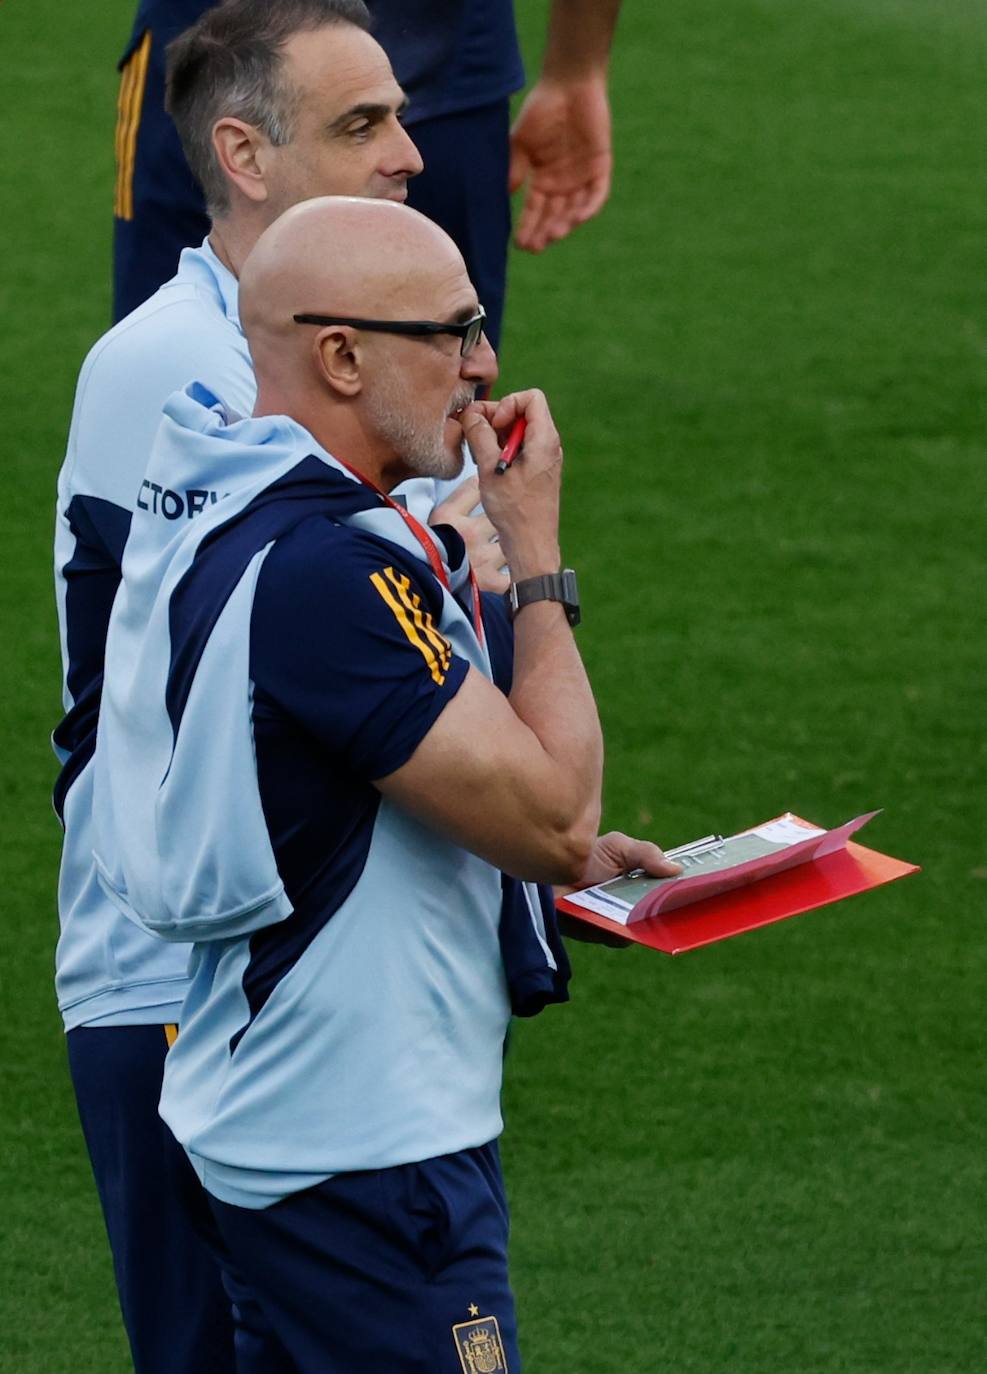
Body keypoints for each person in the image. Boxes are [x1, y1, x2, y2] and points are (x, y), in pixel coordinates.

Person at [91, 194, 680, 1373]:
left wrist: (538, 878)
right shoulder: (329, 573)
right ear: (343, 355)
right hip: (366, 1154)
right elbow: (557, 817)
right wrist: (535, 555)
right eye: (451, 332)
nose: (484, 363)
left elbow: (332, 792)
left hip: (279, 1119)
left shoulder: (228, 493)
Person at [53, 3, 500, 1370]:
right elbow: (350, 646)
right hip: (197, 991)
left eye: (403, 115)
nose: (410, 154)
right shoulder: (191, 374)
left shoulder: (365, 342)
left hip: (330, 989)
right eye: (362, 123)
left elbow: (425, 659)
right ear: (242, 155)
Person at [112, 0, 624, 343]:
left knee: (440, 402)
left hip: (219, 57)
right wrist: (574, 68)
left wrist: (574, 72)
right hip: (437, 64)